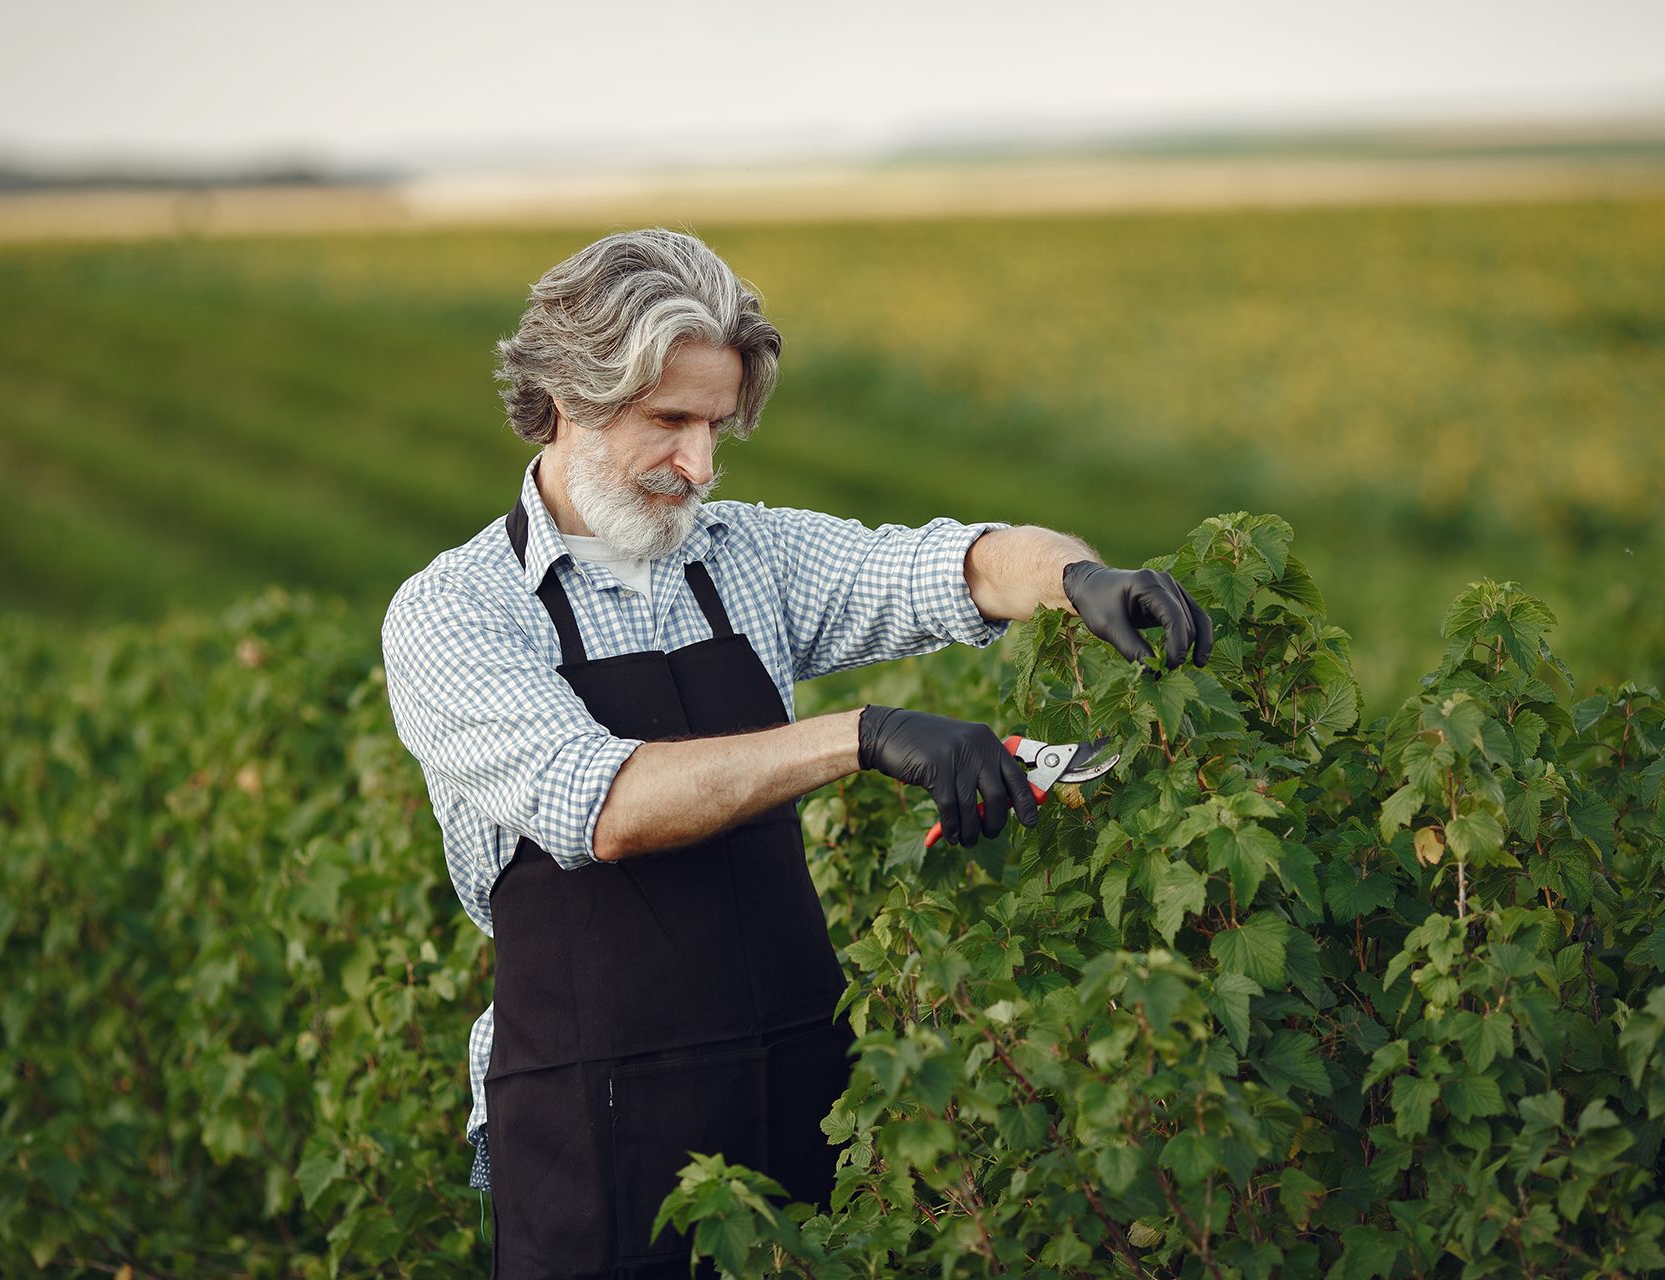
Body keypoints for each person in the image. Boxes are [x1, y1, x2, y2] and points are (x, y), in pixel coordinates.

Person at [380, 228, 1212, 1279]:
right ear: (566, 398)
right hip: (590, 1131)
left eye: (717, 425)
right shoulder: (456, 612)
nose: (701, 465)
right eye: (669, 421)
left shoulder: (743, 556)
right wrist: (862, 735)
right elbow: (607, 804)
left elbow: (943, 566)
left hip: (794, 1100)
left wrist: (1078, 578)